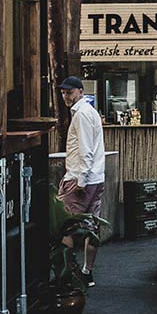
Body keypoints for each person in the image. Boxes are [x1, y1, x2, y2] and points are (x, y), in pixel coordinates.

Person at [57, 77, 105, 287]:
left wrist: (81, 180)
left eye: (70, 92)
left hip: (81, 179)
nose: (66, 96)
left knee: (66, 227)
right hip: (95, 178)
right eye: (63, 93)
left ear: (80, 91)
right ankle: (87, 272)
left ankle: (68, 275)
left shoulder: (82, 114)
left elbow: (85, 149)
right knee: (92, 227)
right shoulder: (88, 112)